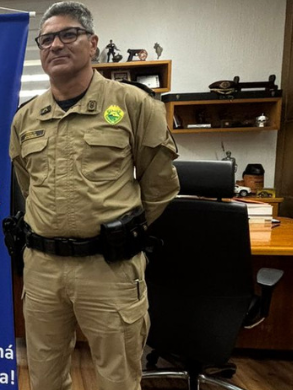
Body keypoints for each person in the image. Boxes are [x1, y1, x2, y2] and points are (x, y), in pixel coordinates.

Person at [9, 2, 179, 390]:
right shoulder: (26, 118)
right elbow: (27, 185)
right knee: (44, 378)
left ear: (92, 44)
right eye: (46, 39)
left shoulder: (133, 104)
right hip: (42, 269)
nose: (56, 45)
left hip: (109, 266)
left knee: (117, 379)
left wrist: (124, 230)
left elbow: (160, 186)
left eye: (68, 34)